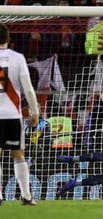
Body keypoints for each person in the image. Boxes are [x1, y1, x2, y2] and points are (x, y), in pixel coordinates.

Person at [0, 24, 39, 205]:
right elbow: (28, 89)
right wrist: (35, 111)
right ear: (8, 39)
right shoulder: (17, 57)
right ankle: (26, 196)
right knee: (18, 153)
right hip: (12, 115)